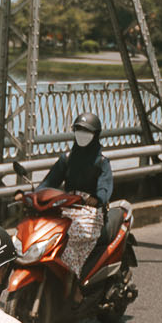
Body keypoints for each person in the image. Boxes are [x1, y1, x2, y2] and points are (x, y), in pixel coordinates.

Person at [43, 112, 127, 268]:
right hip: (67, 207)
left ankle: (73, 275)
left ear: (95, 135)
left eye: (87, 131)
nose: (82, 134)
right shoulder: (67, 158)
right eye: (79, 129)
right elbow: (49, 182)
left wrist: (97, 198)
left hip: (90, 211)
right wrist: (31, 196)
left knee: (73, 235)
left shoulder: (101, 162)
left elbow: (105, 186)